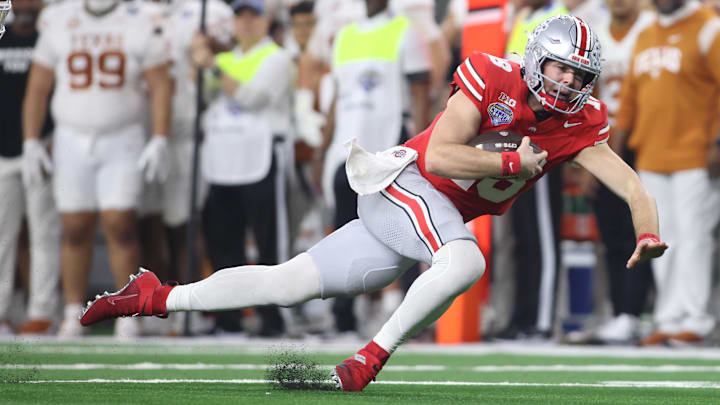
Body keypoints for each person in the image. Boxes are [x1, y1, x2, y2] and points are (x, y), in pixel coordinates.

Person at [80, 14, 667, 392]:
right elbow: (439, 155)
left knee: (289, 284)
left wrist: (646, 232)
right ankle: (366, 363)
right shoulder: (494, 75)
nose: (567, 83)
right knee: (465, 262)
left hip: (427, 216)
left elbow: (631, 185)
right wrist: (512, 161)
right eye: (561, 68)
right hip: (406, 185)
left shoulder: (578, 120)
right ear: (537, 56)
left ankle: (154, 295)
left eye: (578, 75)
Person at [23, 0, 171, 338]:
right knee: (74, 226)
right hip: (71, 137)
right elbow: (38, 86)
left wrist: (160, 137)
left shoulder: (141, 18)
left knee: (121, 224)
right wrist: (31, 139)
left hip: (123, 136)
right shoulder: (58, 18)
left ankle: (128, 310)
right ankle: (74, 309)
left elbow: (160, 84)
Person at [614, 0, 720, 346]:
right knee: (658, 242)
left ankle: (696, 320)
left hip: (696, 155)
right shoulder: (645, 34)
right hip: (650, 155)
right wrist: (616, 153)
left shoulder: (708, 27)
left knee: (694, 239)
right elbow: (628, 103)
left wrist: (718, 141)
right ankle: (669, 318)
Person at [190, 0, 294, 336]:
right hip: (221, 160)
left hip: (260, 157)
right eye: (240, 16)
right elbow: (201, 96)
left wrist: (213, 68)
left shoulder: (276, 57)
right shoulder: (222, 59)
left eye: (253, 16)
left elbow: (252, 98)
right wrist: (199, 59)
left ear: (266, 22)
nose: (246, 23)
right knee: (222, 242)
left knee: (267, 244)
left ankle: (272, 317)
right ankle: (227, 317)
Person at [573, 0, 655, 344]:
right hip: (603, 143)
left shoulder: (651, 27)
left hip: (642, 141)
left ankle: (637, 312)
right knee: (610, 235)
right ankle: (620, 311)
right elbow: (586, 91)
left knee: (642, 230)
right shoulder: (594, 30)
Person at [0, 0, 61, 335]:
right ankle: (2, 311)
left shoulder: (50, 39)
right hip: (3, 151)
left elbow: (63, 95)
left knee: (44, 232)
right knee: (2, 235)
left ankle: (42, 312)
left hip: (42, 146)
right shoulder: (2, 36)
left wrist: (50, 139)